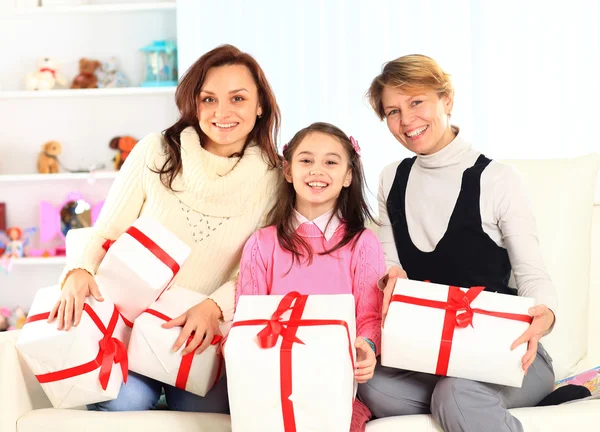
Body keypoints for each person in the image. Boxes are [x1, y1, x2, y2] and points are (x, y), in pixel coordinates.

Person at [47, 44, 281, 413]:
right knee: (121, 405)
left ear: (260, 105)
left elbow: (260, 270)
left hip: (199, 340)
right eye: (208, 99)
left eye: (238, 98)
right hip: (126, 329)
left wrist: (213, 307)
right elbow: (105, 230)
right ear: (194, 104)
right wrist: (78, 269)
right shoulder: (156, 151)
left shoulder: (277, 178)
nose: (222, 112)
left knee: (211, 413)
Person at [357, 54, 557, 432]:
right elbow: (388, 260)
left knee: (456, 393)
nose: (407, 120)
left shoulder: (498, 179)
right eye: (393, 111)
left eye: (417, 102)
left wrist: (545, 314)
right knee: (371, 386)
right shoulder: (390, 178)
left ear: (446, 99)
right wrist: (389, 277)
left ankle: (475, 402)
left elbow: (532, 272)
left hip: (509, 353)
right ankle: (475, 408)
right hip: (433, 357)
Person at [236, 122, 385, 431]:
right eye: (306, 160)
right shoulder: (261, 244)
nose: (317, 171)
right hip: (271, 383)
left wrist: (367, 347)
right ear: (288, 171)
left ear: (348, 176)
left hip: (337, 384)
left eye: (331, 162)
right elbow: (247, 319)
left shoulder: (363, 243)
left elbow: (370, 315)